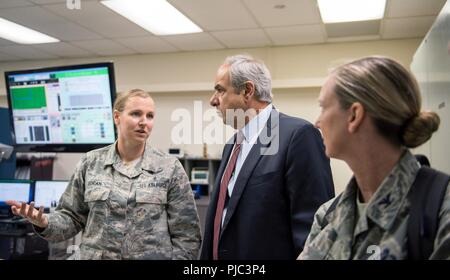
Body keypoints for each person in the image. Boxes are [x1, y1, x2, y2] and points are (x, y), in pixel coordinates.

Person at [7, 89, 201, 260]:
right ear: (117, 117)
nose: (144, 122)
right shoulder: (90, 163)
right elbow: (71, 217)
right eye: (136, 114)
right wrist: (44, 222)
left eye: (150, 116)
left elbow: (187, 235)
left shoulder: (169, 167)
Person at [298, 56, 450, 260]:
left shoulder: (440, 210)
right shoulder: (327, 215)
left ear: (354, 115)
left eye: (324, 107)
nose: (317, 122)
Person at [200, 54, 335, 260]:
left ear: (247, 91)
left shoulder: (297, 136)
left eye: (220, 90)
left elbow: (313, 233)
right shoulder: (232, 146)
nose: (213, 100)